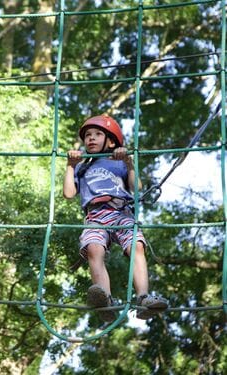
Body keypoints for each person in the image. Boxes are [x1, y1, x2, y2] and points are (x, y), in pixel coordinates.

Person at [62, 114, 168, 322]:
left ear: (110, 141)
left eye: (97, 134)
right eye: (88, 135)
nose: (91, 138)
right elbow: (68, 193)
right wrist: (70, 165)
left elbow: (136, 188)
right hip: (95, 215)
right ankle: (105, 299)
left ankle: (143, 298)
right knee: (94, 248)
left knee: (136, 245)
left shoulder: (117, 163)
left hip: (121, 212)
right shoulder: (83, 167)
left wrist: (128, 163)